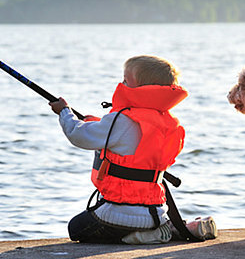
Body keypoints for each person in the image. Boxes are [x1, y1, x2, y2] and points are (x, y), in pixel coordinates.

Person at [49, 55, 216, 244]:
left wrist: (64, 112)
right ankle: (168, 227)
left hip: (121, 213)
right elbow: (127, 139)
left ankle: (144, 236)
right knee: (145, 218)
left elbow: (79, 135)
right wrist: (96, 123)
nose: (121, 84)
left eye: (125, 80)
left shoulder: (120, 121)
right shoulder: (166, 122)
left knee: (76, 228)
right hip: (157, 211)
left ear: (140, 89)